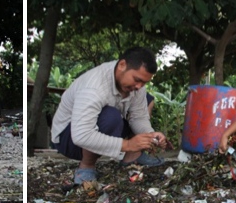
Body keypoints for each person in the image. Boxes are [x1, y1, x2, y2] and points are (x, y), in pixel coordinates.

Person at [50, 47, 168, 185]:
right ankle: (86, 167)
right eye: (137, 80)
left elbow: (138, 117)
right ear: (122, 65)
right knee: (110, 116)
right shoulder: (94, 87)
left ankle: (132, 157)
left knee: (146, 99)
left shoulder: (136, 86)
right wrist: (128, 144)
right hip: (69, 140)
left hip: (96, 133)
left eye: (144, 83)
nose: (139, 86)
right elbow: (82, 135)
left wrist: (150, 136)